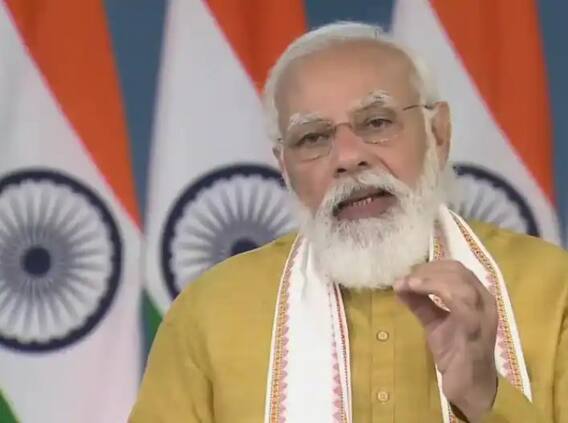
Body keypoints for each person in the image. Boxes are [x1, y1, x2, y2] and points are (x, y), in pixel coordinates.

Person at [130, 22, 568, 422]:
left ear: (438, 134)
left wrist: (485, 397)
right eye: (313, 138)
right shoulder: (209, 313)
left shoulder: (553, 289)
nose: (347, 157)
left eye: (376, 122)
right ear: (284, 167)